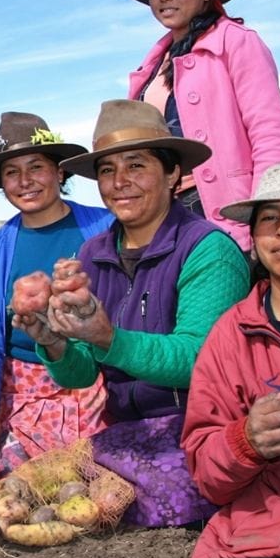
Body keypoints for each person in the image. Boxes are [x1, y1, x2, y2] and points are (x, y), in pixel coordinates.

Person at [25, 100, 249, 527]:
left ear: (172, 174)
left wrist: (111, 340)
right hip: (127, 433)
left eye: (135, 166)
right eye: (107, 170)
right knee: (33, 484)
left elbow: (201, 360)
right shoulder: (94, 253)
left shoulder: (208, 250)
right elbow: (81, 374)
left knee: (128, 503)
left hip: (198, 430)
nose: (119, 182)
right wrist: (51, 340)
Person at [121, 0, 280, 251]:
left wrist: (263, 214)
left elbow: (270, 134)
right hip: (164, 217)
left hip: (224, 213)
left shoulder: (237, 41)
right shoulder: (153, 63)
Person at [0, 112, 112, 472]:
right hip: (24, 389)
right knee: (15, 472)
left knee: (104, 466)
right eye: (12, 172)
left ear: (60, 171)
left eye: (36, 167)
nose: (25, 181)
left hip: (99, 380)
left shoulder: (105, 228)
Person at [183, 160, 280, 558]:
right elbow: (208, 475)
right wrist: (246, 440)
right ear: (253, 238)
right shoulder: (232, 336)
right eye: (270, 218)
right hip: (270, 540)